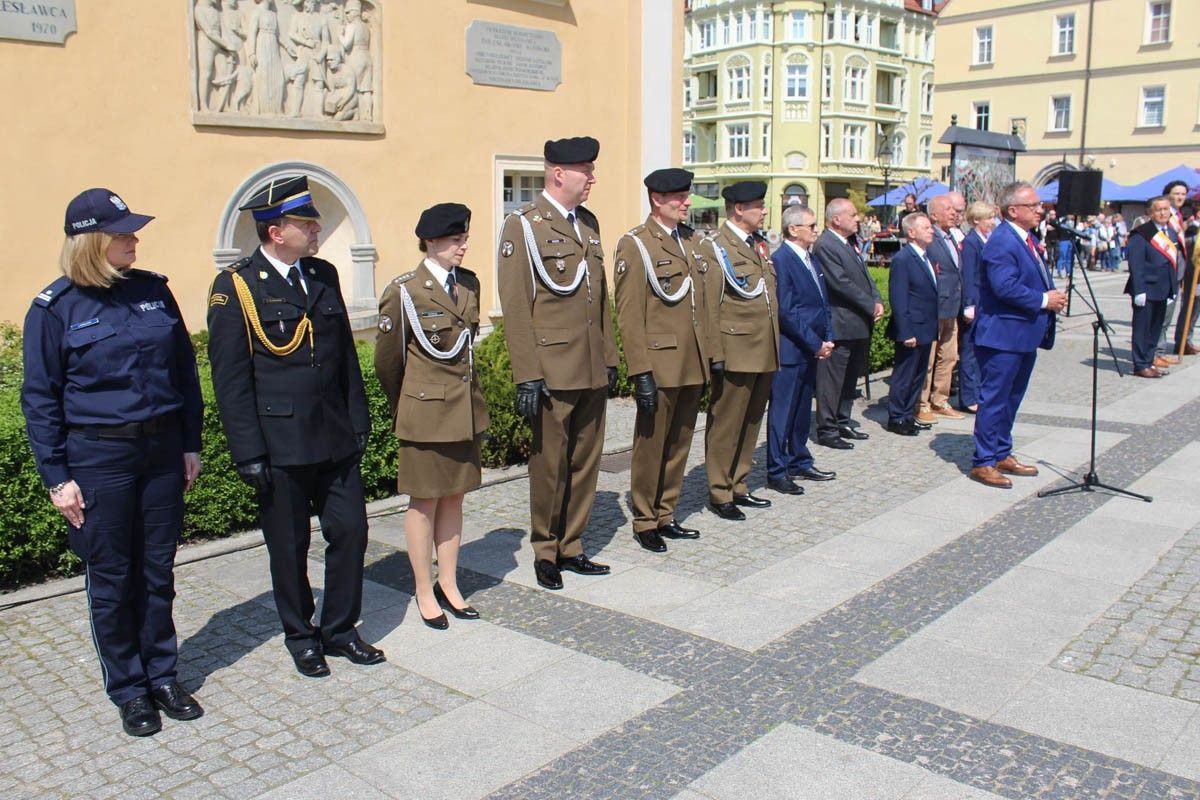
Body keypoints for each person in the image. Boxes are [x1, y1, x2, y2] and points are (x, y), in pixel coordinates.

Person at [21, 189, 204, 736]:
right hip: (99, 457)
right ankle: (130, 689)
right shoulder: (55, 308)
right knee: (112, 576)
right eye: (123, 233)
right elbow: (40, 398)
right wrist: (57, 477)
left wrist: (189, 442)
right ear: (93, 240)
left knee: (157, 570)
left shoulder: (153, 292)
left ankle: (163, 676)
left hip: (160, 451)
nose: (135, 239)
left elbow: (184, 375)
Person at [207, 176, 383, 677]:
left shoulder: (323, 273)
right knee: (289, 546)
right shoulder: (236, 287)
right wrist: (248, 452)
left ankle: (341, 628)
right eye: (306, 223)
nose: (317, 229)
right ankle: (301, 635)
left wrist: (358, 418)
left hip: (333, 436)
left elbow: (344, 355)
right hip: (279, 444)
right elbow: (231, 378)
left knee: (351, 531)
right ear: (275, 230)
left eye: (314, 221)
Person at [497, 136, 618, 590]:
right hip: (551, 369)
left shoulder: (588, 224)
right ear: (557, 174)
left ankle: (573, 544)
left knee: (586, 460)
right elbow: (516, 305)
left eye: (592, 169)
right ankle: (545, 549)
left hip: (588, 366)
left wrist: (608, 355)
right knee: (550, 465)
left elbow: (599, 298)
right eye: (585, 169)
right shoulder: (523, 226)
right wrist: (527, 373)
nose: (592, 178)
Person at [374, 203, 488, 628]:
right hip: (425, 414)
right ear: (432, 242)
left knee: (454, 496)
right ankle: (424, 590)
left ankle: (450, 582)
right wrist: (409, 409)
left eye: (464, 238)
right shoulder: (405, 291)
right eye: (456, 240)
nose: (464, 245)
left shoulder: (469, 285)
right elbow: (388, 364)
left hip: (463, 412)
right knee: (424, 502)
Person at [612, 168, 711, 552]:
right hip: (660, 361)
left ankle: (666, 513)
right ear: (658, 199)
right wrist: (640, 371)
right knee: (652, 446)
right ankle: (644, 519)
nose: (686, 202)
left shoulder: (692, 242)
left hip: (692, 361)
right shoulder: (636, 245)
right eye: (679, 197)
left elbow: (703, 305)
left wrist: (711, 356)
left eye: (686, 196)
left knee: (680, 442)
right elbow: (629, 314)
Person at [970, 182, 1067, 488]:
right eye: (1034, 205)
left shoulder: (1026, 238)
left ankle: (1001, 451)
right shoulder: (1002, 241)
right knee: (995, 399)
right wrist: (1043, 300)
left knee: (1012, 398)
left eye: (1040, 205)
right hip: (1002, 335)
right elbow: (1004, 286)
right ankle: (983, 461)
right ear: (1013, 210)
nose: (1041, 210)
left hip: (1023, 334)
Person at [698, 180, 780, 521]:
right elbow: (709, 306)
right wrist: (715, 353)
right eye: (758, 206)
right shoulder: (716, 246)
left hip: (762, 348)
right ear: (739, 210)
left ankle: (739, 484)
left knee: (750, 421)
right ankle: (720, 490)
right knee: (727, 423)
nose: (764, 211)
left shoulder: (758, 245)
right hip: (735, 348)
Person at [765, 204, 835, 493]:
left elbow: (821, 301)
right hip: (792, 348)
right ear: (794, 229)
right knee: (782, 411)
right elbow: (787, 311)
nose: (816, 230)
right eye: (811, 225)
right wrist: (815, 342)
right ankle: (777, 469)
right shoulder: (782, 259)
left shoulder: (809, 257)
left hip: (812, 348)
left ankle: (799, 459)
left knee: (802, 410)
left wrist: (827, 338)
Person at [812, 198, 883, 449]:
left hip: (857, 323)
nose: (858, 219)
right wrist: (868, 303)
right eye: (852, 215)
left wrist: (876, 299)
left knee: (849, 378)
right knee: (832, 380)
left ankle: (842, 420)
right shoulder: (825, 245)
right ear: (836, 219)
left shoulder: (849, 242)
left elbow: (865, 277)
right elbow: (840, 283)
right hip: (840, 323)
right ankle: (827, 428)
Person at [885, 213, 940, 435]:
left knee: (918, 376)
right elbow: (899, 298)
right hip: (912, 329)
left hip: (926, 326)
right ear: (911, 232)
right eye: (926, 227)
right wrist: (905, 330)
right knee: (904, 375)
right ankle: (897, 417)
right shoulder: (904, 259)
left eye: (930, 227)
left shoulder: (925, 257)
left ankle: (909, 414)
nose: (931, 231)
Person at [914, 194, 965, 426]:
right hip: (935, 308)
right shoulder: (930, 238)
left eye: (955, 210)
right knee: (929, 360)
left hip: (952, 307)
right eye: (948, 209)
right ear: (933, 215)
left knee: (950, 356)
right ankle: (921, 403)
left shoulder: (951, 237)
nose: (954, 213)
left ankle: (940, 399)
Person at [1126, 196, 1180, 378]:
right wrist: (1139, 290)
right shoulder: (1141, 234)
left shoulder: (1170, 233)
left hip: (1163, 289)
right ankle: (1140, 364)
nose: (1163, 213)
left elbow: (1171, 264)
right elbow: (1136, 264)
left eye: (1166, 209)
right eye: (1158, 209)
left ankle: (1149, 361)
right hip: (1146, 289)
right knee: (1143, 328)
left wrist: (1173, 288)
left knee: (1156, 328)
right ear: (1150, 212)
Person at [957, 201, 996, 414]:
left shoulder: (984, 240)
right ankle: (968, 396)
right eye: (988, 218)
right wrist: (968, 304)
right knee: (970, 351)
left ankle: (978, 391)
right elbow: (969, 276)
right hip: (976, 303)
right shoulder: (971, 242)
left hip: (985, 303)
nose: (992, 222)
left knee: (980, 350)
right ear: (977, 220)